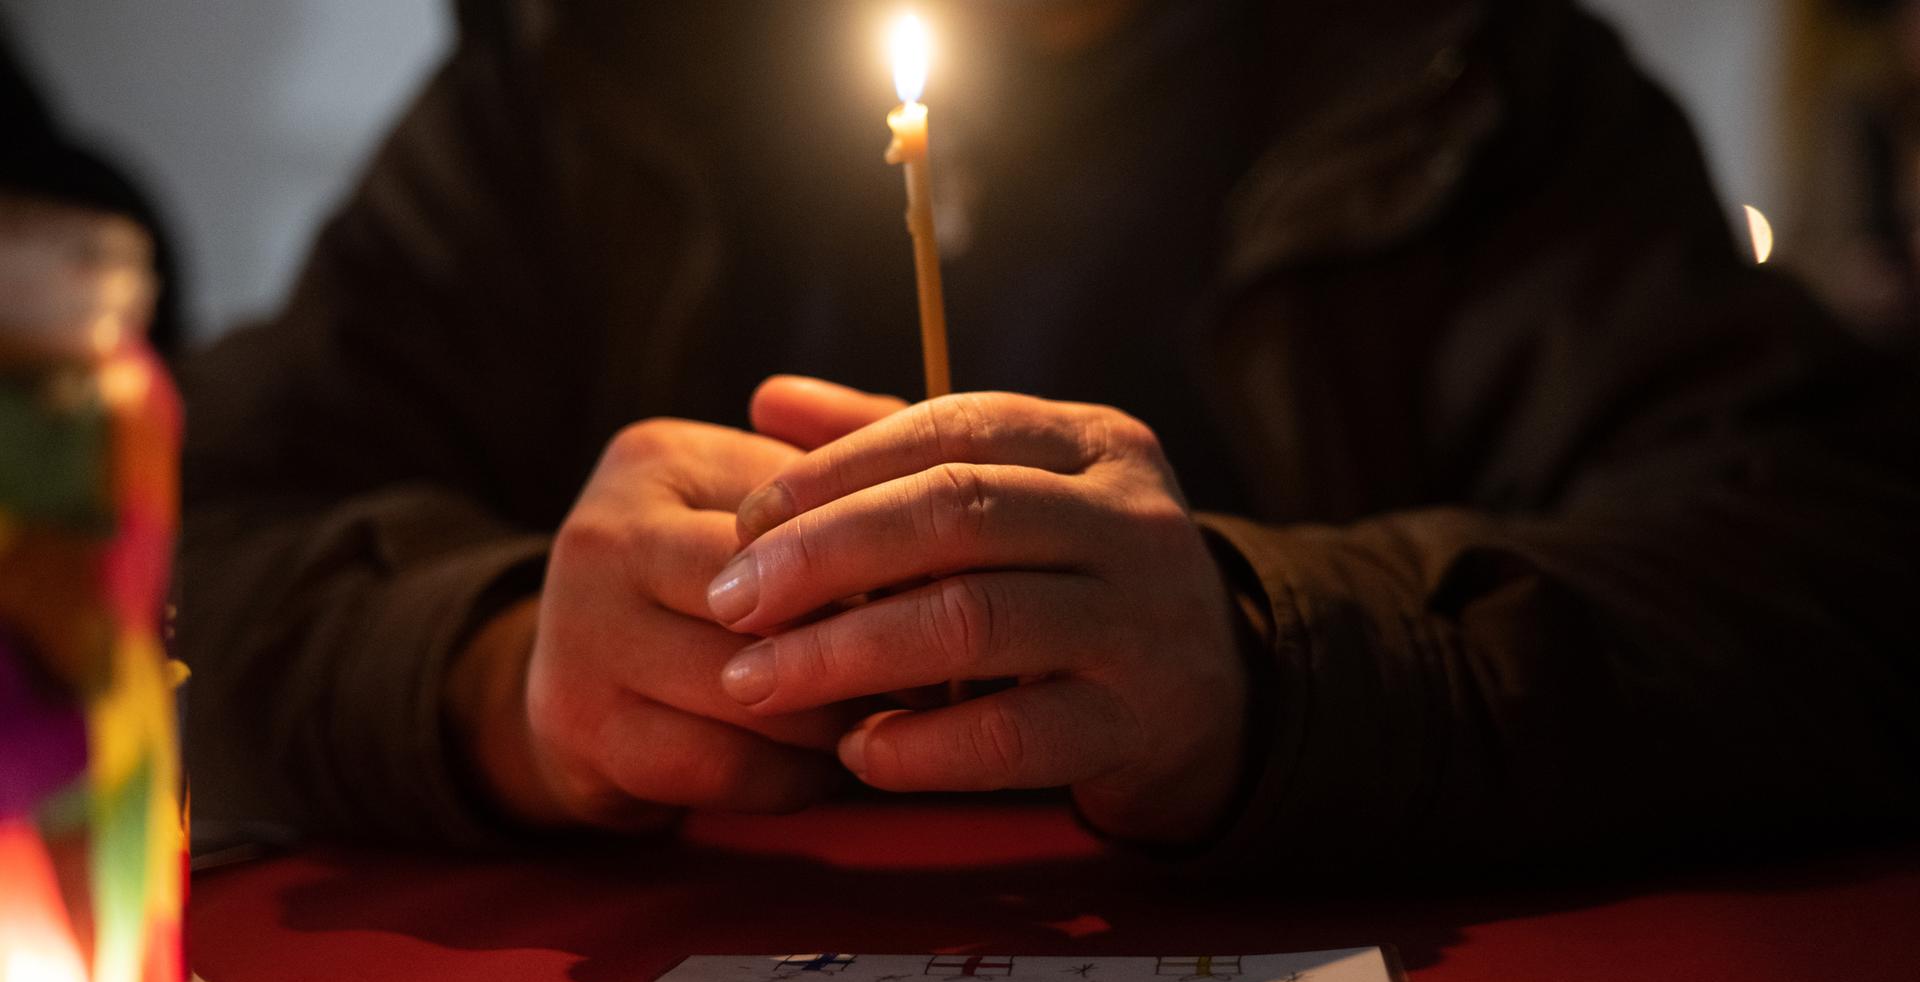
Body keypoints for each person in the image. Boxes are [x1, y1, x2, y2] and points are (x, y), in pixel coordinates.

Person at [179, 0, 1920, 869]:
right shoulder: (571, 77)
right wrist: (492, 673)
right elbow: (171, 544)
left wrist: (1274, 654)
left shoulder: (1467, 76)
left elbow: (1836, 569)